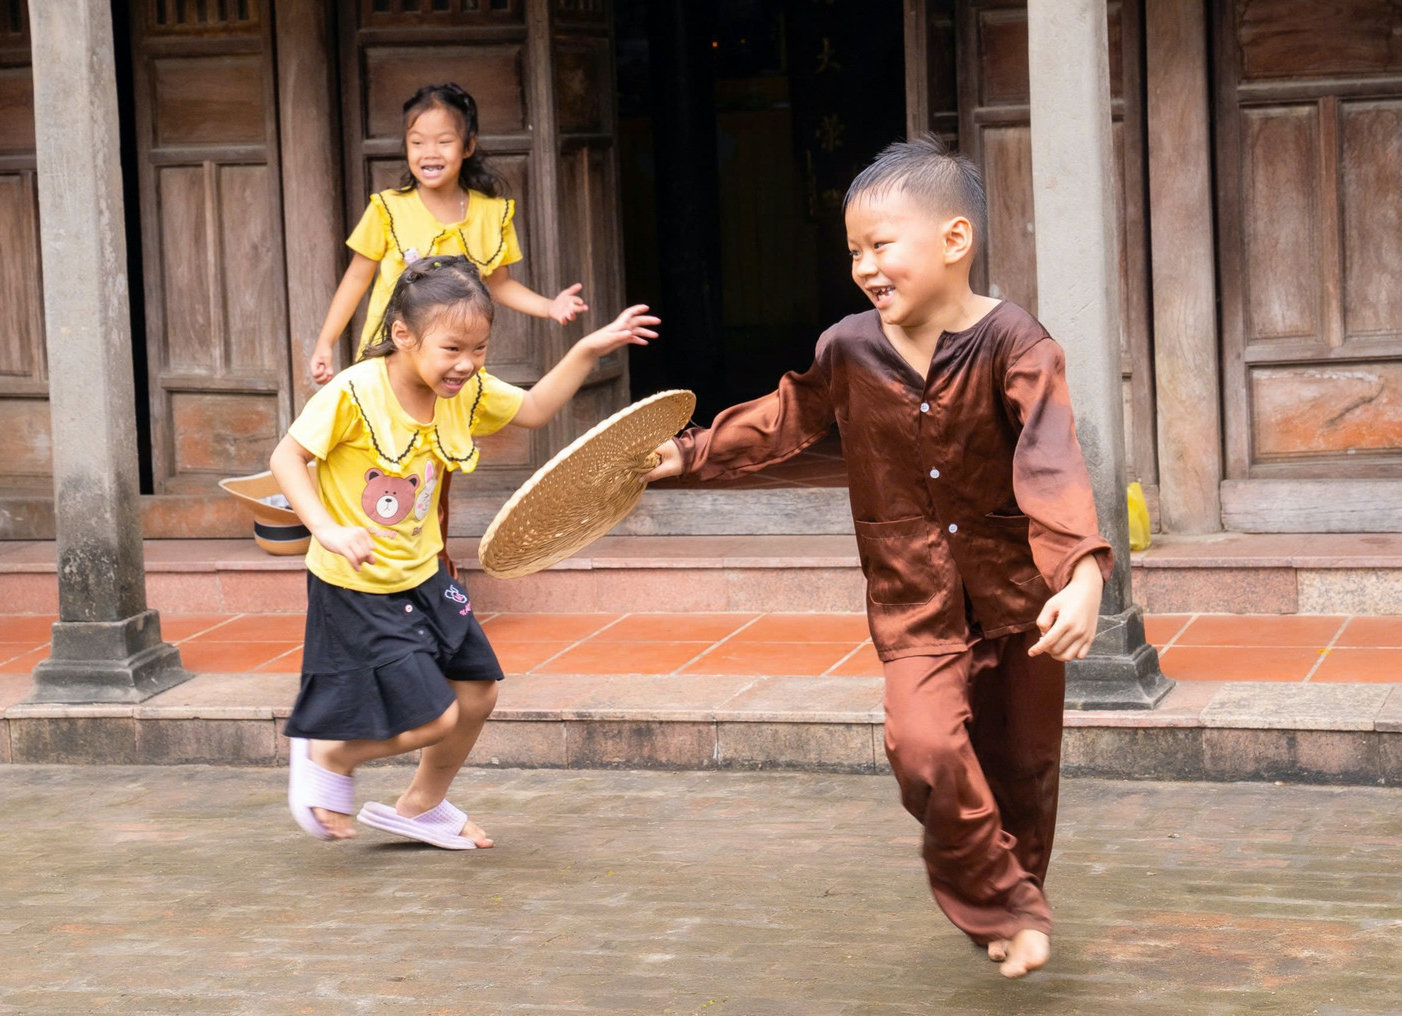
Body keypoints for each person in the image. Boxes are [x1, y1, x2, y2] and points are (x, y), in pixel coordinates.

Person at [643, 135, 1111, 978]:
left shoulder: (1017, 342)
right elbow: (787, 416)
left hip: (1018, 593)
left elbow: (1052, 458)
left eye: (881, 244)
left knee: (1025, 770)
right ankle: (1001, 901)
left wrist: (1081, 574)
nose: (864, 264)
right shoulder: (848, 347)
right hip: (914, 597)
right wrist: (689, 451)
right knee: (923, 748)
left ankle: (1013, 904)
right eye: (854, 249)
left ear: (954, 242)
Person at [274, 254, 657, 849]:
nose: (467, 365)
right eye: (452, 349)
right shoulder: (354, 391)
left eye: (479, 349)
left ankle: (421, 806)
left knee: (478, 691)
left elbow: (532, 410)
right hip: (358, 581)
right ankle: (329, 751)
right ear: (402, 335)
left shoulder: (464, 390)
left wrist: (587, 349)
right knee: (433, 717)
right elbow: (286, 458)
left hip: (421, 575)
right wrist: (325, 527)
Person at [308, 82, 588, 384]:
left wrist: (551, 306)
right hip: (392, 358)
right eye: (417, 143)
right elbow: (356, 277)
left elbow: (500, 284)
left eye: (443, 141)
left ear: (468, 146)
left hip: (454, 364)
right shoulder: (387, 208)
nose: (429, 153)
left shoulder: (490, 215)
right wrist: (326, 341)